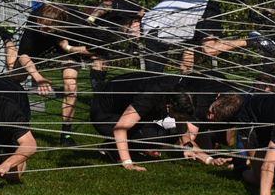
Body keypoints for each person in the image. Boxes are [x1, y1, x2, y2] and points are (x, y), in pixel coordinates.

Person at [89, 71, 225, 171]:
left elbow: (182, 125)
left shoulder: (177, 92)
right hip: (104, 114)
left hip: (123, 108)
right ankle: (113, 148)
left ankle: (118, 146)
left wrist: (207, 159)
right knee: (154, 136)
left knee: (167, 134)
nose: (179, 120)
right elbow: (120, 128)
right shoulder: (150, 97)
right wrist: (128, 163)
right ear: (169, 106)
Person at [140, 0, 275, 73]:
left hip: (202, 11)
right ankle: (186, 89)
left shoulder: (149, 26)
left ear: (134, 22)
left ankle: (253, 40)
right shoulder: (153, 19)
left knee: (209, 49)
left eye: (129, 31)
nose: (131, 36)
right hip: (192, 22)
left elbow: (154, 67)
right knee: (186, 66)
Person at [14, 4, 83, 144]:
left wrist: (69, 48)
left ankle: (66, 134)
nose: (43, 29)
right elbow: (23, 55)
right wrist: (38, 77)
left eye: (47, 28)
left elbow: (90, 47)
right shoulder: (35, 20)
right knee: (16, 77)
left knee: (71, 86)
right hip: (39, 44)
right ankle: (6, 39)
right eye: (41, 25)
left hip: (64, 44)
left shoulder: (75, 20)